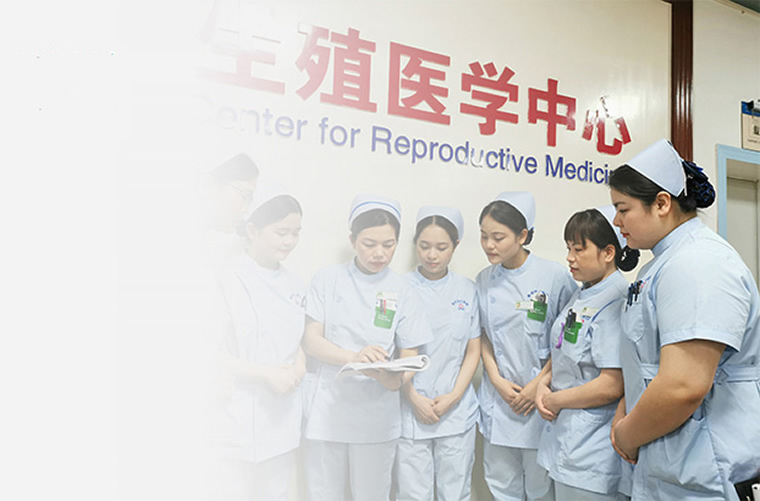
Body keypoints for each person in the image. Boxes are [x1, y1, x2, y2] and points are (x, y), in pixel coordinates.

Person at [608, 139, 760, 500]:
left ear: (662, 203)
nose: (616, 221)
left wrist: (627, 434)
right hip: (673, 464)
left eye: (623, 209)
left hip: (707, 469)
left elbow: (683, 385)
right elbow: (647, 364)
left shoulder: (697, 263)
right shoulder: (664, 264)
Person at [301, 194, 433, 501]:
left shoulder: (403, 290)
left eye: (389, 244)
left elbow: (410, 353)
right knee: (323, 493)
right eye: (369, 244)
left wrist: (396, 380)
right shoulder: (327, 279)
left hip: (377, 412)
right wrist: (355, 358)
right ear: (352, 240)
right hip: (329, 408)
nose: (379, 253)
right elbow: (311, 340)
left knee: (372, 494)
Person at [476, 191, 578, 501]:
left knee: (539, 488)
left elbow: (566, 340)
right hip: (499, 399)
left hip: (541, 398)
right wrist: (496, 380)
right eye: (484, 236)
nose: (489, 245)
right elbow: (483, 336)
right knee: (501, 485)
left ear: (522, 235)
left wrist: (537, 385)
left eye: (498, 237)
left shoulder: (554, 276)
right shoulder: (484, 280)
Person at [534, 206, 640, 501]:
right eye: (568, 248)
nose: (570, 258)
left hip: (594, 451)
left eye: (579, 249)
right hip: (568, 441)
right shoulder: (584, 292)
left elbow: (612, 384)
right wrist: (543, 383)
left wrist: (554, 399)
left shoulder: (617, 300)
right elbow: (564, 352)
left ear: (608, 252)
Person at [213, 181, 306, 501]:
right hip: (235, 417)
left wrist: (298, 368)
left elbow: (297, 341)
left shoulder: (295, 283)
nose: (290, 241)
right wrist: (266, 373)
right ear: (253, 231)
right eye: (281, 232)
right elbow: (209, 352)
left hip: (282, 418)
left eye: (296, 233)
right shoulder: (226, 276)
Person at [395, 206, 481, 501]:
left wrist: (453, 397)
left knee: (455, 493)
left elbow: (473, 350)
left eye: (441, 247)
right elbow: (394, 352)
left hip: (455, 410)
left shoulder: (467, 290)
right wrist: (413, 397)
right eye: (424, 246)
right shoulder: (399, 287)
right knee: (412, 494)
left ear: (455, 245)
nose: (432, 255)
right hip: (411, 406)